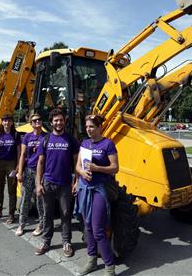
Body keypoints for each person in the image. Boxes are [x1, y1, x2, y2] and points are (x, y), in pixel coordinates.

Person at [75, 115, 119, 276]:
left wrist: (96, 168)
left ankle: (109, 267)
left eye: (92, 126)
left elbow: (115, 168)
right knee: (87, 227)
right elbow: (78, 166)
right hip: (84, 188)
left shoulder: (108, 144)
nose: (88, 129)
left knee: (98, 229)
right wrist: (82, 173)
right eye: (87, 127)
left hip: (100, 189)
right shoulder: (85, 143)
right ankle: (92, 261)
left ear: (100, 127)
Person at [34, 108, 79, 258]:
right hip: (48, 182)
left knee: (66, 214)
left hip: (65, 183)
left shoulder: (71, 139)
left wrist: (77, 181)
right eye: (56, 120)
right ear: (52, 122)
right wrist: (38, 184)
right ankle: (46, 241)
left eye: (61, 120)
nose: (59, 123)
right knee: (47, 214)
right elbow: (40, 162)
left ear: (64, 121)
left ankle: (66, 242)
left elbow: (76, 161)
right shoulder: (45, 140)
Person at [15, 113, 47, 237]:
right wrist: (20, 172)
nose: (37, 122)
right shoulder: (27, 137)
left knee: (40, 200)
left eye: (39, 119)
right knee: (25, 199)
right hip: (28, 171)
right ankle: (21, 224)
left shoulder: (46, 137)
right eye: (34, 121)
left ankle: (41, 224)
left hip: (42, 172)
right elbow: (23, 155)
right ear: (31, 124)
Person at [0, 113, 20, 224]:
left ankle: (11, 214)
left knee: (12, 190)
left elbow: (19, 151)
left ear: (12, 122)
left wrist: (18, 166)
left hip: (11, 163)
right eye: (5, 121)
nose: (7, 123)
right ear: (2, 122)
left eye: (9, 120)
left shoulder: (16, 135)